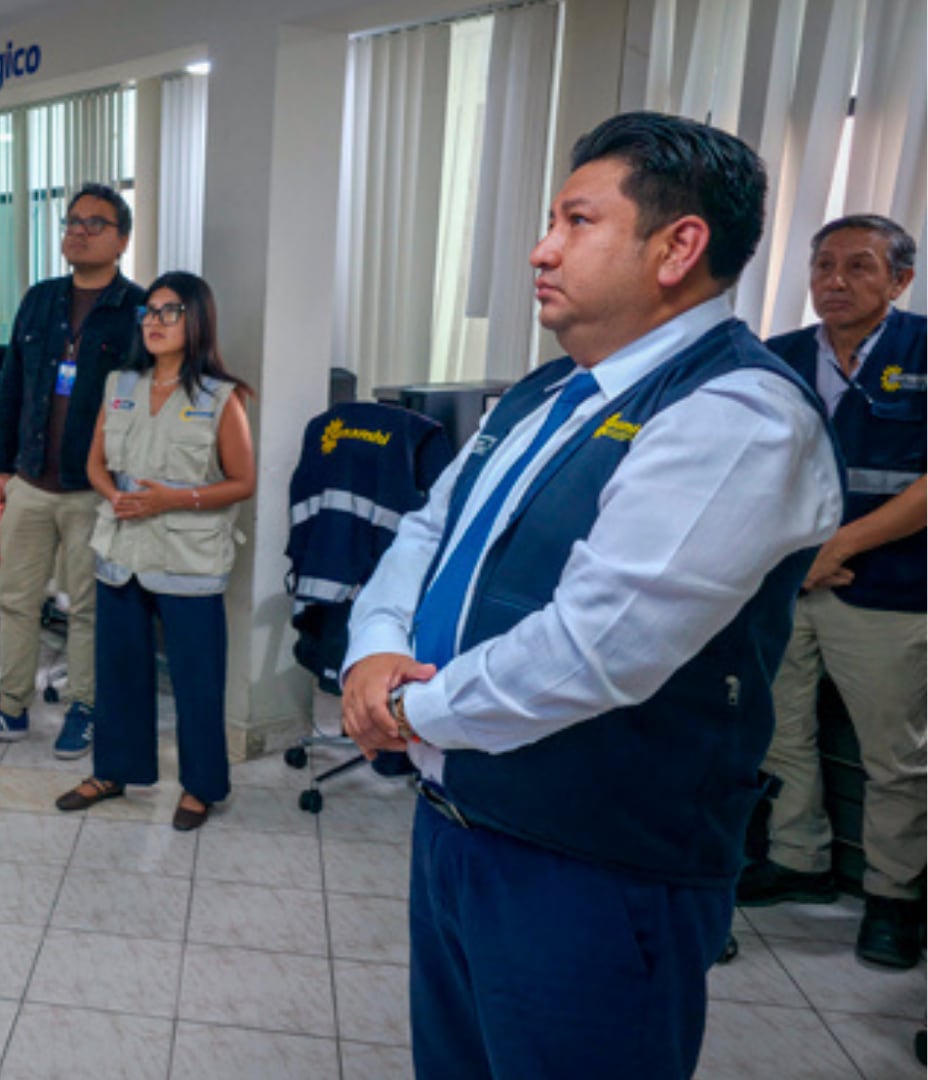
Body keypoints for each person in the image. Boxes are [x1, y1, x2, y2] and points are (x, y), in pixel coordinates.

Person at [340, 112, 842, 1078]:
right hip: (459, 825)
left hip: (594, 862)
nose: (541, 250)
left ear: (677, 246)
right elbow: (430, 532)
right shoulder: (551, 389)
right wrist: (372, 649)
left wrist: (405, 709)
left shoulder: (734, 414)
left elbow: (595, 649)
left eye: (576, 222)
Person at [747, 214, 925, 969]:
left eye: (858, 266)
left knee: (896, 756)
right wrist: (796, 557)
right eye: (823, 266)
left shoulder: (922, 352)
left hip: (889, 589)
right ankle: (800, 860)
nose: (836, 282)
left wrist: (839, 546)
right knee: (782, 732)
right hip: (788, 582)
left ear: (900, 280)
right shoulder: (777, 356)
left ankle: (894, 897)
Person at [0, 182, 146, 758]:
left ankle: (85, 708)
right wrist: (1, 466)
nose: (78, 231)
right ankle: (10, 707)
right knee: (15, 596)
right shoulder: (40, 299)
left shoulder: (136, 310)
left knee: (85, 607)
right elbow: (11, 385)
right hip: (31, 480)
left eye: (95, 223)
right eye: (72, 221)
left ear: (122, 239)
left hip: (94, 488)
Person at [52, 272, 255, 830]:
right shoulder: (121, 384)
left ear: (197, 321)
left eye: (170, 312)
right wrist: (113, 494)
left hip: (188, 560)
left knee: (196, 679)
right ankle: (114, 772)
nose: (154, 322)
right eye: (150, 311)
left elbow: (242, 481)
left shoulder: (221, 398)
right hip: (122, 551)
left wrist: (173, 499)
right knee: (118, 671)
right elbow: (96, 460)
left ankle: (201, 786)